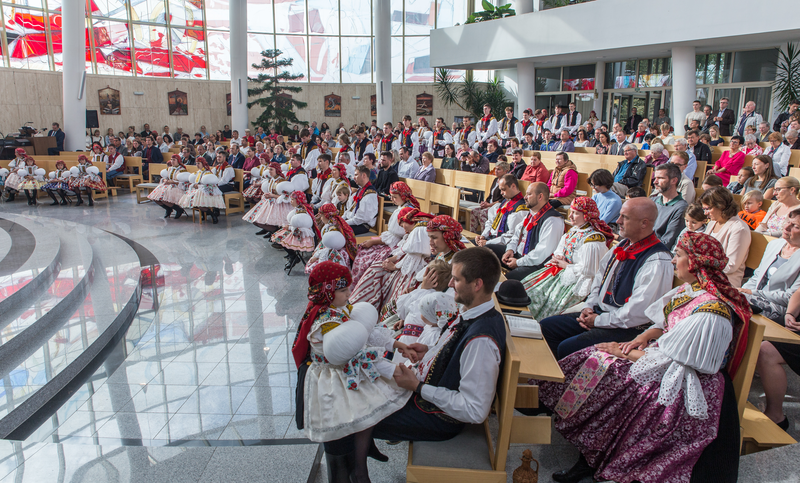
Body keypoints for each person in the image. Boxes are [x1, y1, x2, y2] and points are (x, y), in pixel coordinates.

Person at [540, 231, 747, 483]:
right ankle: (588, 448)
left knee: (611, 379)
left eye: (679, 255)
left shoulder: (711, 313)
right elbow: (666, 321)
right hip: (665, 361)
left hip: (686, 383)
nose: (673, 260)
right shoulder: (692, 291)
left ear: (695, 263)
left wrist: (622, 352)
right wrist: (644, 337)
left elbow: (676, 363)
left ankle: (594, 456)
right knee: (596, 359)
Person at [294, 262, 412, 482]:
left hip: (345, 369)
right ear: (328, 292)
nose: (350, 293)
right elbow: (358, 353)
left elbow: (366, 334)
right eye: (343, 290)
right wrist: (393, 369)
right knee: (355, 414)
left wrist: (395, 345)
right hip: (333, 378)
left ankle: (362, 454)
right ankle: (358, 467)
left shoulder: (336, 310)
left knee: (365, 410)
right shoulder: (327, 322)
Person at [540, 198, 674, 359]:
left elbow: (636, 313)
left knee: (568, 347)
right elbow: (600, 279)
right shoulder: (622, 245)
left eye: (625, 217)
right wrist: (588, 307)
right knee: (547, 326)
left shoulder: (657, 259)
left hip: (626, 328)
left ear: (644, 223)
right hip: (601, 315)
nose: (618, 221)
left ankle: (562, 379)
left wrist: (598, 321)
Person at [521, 197, 613, 320]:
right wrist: (559, 255)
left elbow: (590, 271)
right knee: (528, 288)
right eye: (571, 212)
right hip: (561, 271)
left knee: (544, 300)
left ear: (586, 215)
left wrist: (565, 265)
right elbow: (561, 248)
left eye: (575, 213)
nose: (570, 216)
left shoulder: (593, 240)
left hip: (577, 281)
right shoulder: (575, 231)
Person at [348, 207, 435, 312]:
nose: (403, 229)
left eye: (402, 225)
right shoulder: (415, 229)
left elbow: (414, 259)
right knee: (375, 268)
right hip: (408, 265)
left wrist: (394, 267)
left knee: (377, 274)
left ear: (408, 220)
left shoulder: (419, 230)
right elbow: (405, 252)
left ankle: (364, 307)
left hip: (414, 270)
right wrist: (391, 260)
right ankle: (358, 303)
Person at [486, 182, 565, 281]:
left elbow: (541, 254)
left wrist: (518, 262)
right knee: (486, 251)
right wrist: (510, 250)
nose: (525, 197)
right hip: (520, 256)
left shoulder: (553, 220)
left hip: (537, 265)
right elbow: (516, 236)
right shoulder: (531, 214)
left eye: (529, 194)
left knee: (506, 281)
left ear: (540, 196)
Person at [350, 181, 420, 283]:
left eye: (394, 197)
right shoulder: (402, 207)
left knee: (366, 258)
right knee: (363, 248)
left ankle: (360, 284)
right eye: (391, 196)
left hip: (395, 246)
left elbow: (395, 237)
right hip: (391, 241)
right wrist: (374, 240)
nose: (391, 199)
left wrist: (373, 241)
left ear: (403, 196)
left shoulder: (406, 212)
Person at [699, 187, 751, 287]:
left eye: (708, 209)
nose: (705, 213)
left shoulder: (739, 228)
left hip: (724, 283)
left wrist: (701, 262)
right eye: (704, 209)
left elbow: (730, 266)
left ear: (721, 206)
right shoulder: (712, 223)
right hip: (706, 277)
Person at [272, 191, 321, 271]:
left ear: (298, 200)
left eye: (292, 200)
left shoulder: (303, 211)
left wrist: (290, 227)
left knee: (281, 239)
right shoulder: (299, 208)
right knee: (279, 238)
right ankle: (292, 255)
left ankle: (293, 256)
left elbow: (302, 225)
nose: (291, 201)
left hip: (303, 235)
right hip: (296, 230)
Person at [475, 174, 527, 249]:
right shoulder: (505, 202)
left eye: (503, 189)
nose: (501, 193)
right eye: (500, 190)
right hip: (492, 239)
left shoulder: (521, 208)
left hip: (503, 244)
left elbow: (511, 236)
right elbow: (491, 222)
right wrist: (483, 236)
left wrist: (487, 242)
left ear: (513, 186)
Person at [651, 163, 688, 249]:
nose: (655, 182)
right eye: (655, 178)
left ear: (674, 181)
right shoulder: (654, 201)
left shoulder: (681, 208)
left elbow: (667, 242)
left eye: (660, 178)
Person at [179, 158, 225, 224]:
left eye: (199, 163)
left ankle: (212, 215)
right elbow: (196, 181)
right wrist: (194, 185)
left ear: (203, 164)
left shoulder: (207, 172)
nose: (197, 165)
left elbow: (209, 184)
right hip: (198, 189)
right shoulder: (198, 172)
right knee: (190, 202)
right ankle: (204, 213)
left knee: (199, 204)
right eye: (196, 163)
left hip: (206, 191)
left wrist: (199, 186)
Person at [344, 166, 378, 235]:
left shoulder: (370, 194)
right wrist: (342, 219)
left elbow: (360, 219)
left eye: (356, 175)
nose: (354, 177)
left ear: (364, 175)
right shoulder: (360, 190)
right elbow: (350, 209)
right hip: (355, 221)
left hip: (362, 225)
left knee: (338, 230)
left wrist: (343, 223)